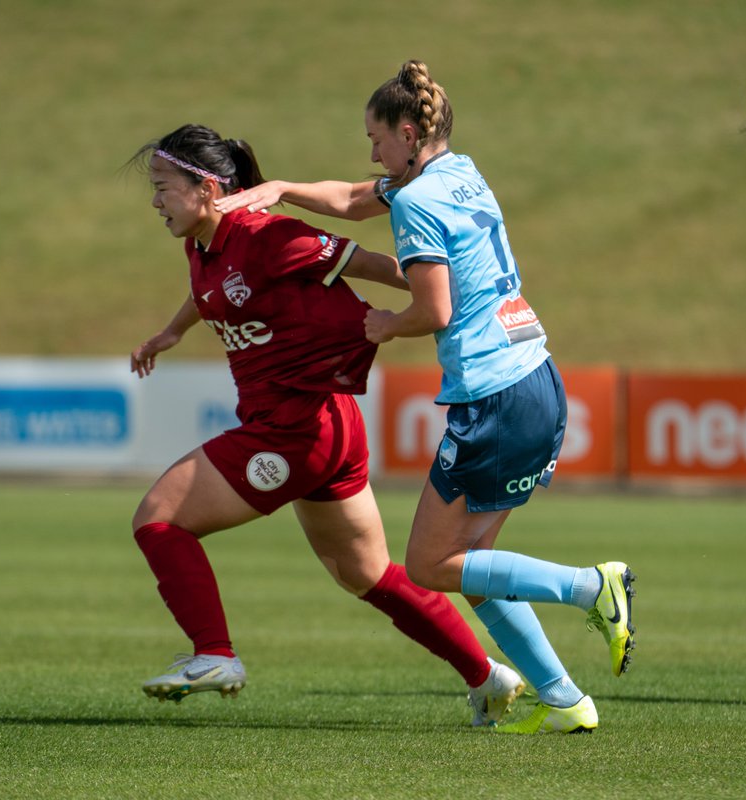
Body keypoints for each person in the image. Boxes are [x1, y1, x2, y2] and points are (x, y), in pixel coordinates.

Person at [215, 60, 636, 734]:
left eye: (376, 139)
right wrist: (286, 189)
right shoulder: (457, 172)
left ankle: (592, 586)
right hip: (535, 376)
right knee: (474, 569)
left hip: (495, 395)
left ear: (408, 134)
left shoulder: (415, 201)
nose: (371, 153)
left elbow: (434, 308)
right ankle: (563, 699)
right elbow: (354, 199)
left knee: (427, 564)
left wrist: (386, 324)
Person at [128, 123, 528, 727]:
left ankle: (215, 653)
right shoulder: (201, 243)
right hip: (327, 428)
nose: (155, 200)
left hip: (295, 429)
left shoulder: (268, 235)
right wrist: (174, 330)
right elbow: (212, 292)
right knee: (365, 574)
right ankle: (488, 676)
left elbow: (373, 264)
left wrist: (454, 298)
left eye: (163, 187)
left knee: (159, 518)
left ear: (208, 188)